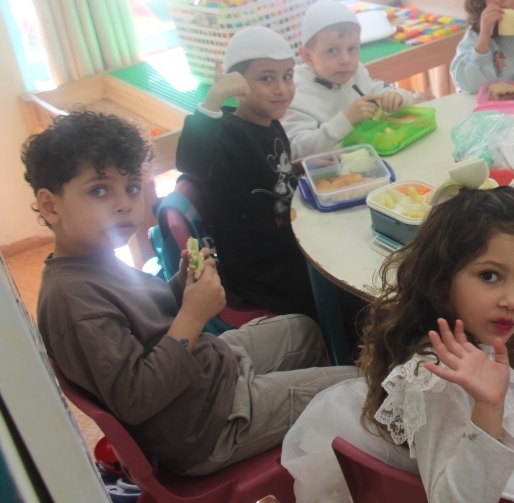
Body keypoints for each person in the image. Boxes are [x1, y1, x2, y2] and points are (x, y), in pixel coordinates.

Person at [283, 186, 514, 503]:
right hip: (485, 480)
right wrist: (489, 407)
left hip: (484, 451)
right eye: (489, 276)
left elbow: (454, 427)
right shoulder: (438, 380)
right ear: (440, 278)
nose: (512, 300)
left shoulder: (445, 339)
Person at [25, 111, 356, 475]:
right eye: (99, 190)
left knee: (304, 329)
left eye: (131, 187)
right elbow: (137, 397)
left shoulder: (96, 257)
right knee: (355, 388)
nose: (123, 204)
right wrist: (193, 314)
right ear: (51, 205)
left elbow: (146, 322)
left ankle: (302, 422)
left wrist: (181, 286)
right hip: (205, 426)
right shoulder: (73, 302)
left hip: (207, 375)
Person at [177, 26, 316, 319]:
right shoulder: (226, 133)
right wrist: (213, 99)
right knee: (342, 285)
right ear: (237, 84)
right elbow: (191, 161)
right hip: (263, 271)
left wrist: (311, 169)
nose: (282, 89)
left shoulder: (270, 122)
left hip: (293, 244)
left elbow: (276, 175)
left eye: (287, 76)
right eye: (266, 78)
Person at [282, 0, 413, 159]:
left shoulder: (356, 73)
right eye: (332, 50)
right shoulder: (295, 94)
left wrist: (398, 97)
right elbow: (296, 150)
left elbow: (391, 93)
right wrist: (346, 120)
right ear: (308, 56)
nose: (345, 60)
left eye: (352, 49)